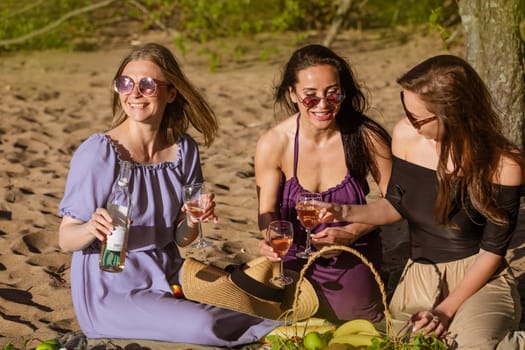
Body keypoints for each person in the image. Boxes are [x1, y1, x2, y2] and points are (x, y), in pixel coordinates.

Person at [58, 42, 278, 346]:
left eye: (147, 85)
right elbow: (65, 238)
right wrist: (87, 228)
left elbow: (182, 238)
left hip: (169, 273)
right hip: (111, 288)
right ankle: (277, 330)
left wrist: (193, 216)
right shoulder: (99, 153)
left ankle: (283, 323)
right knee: (204, 323)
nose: (134, 93)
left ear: (171, 92)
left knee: (242, 300)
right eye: (125, 83)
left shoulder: (184, 150)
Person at [319, 54, 523, 349]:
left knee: (472, 345)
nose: (409, 123)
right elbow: (396, 204)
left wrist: (445, 309)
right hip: (421, 273)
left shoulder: (504, 164)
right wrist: (344, 211)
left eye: (418, 117)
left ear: (454, 114)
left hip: (480, 277)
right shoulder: (406, 135)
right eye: (406, 109)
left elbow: (492, 250)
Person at [254, 44, 392, 324]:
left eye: (333, 93)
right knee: (280, 311)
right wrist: (271, 237)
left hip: (352, 248)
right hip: (292, 252)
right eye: (310, 96)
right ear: (292, 94)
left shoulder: (367, 137)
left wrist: (352, 232)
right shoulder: (275, 142)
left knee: (354, 317)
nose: (323, 103)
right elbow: (266, 211)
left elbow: (396, 203)